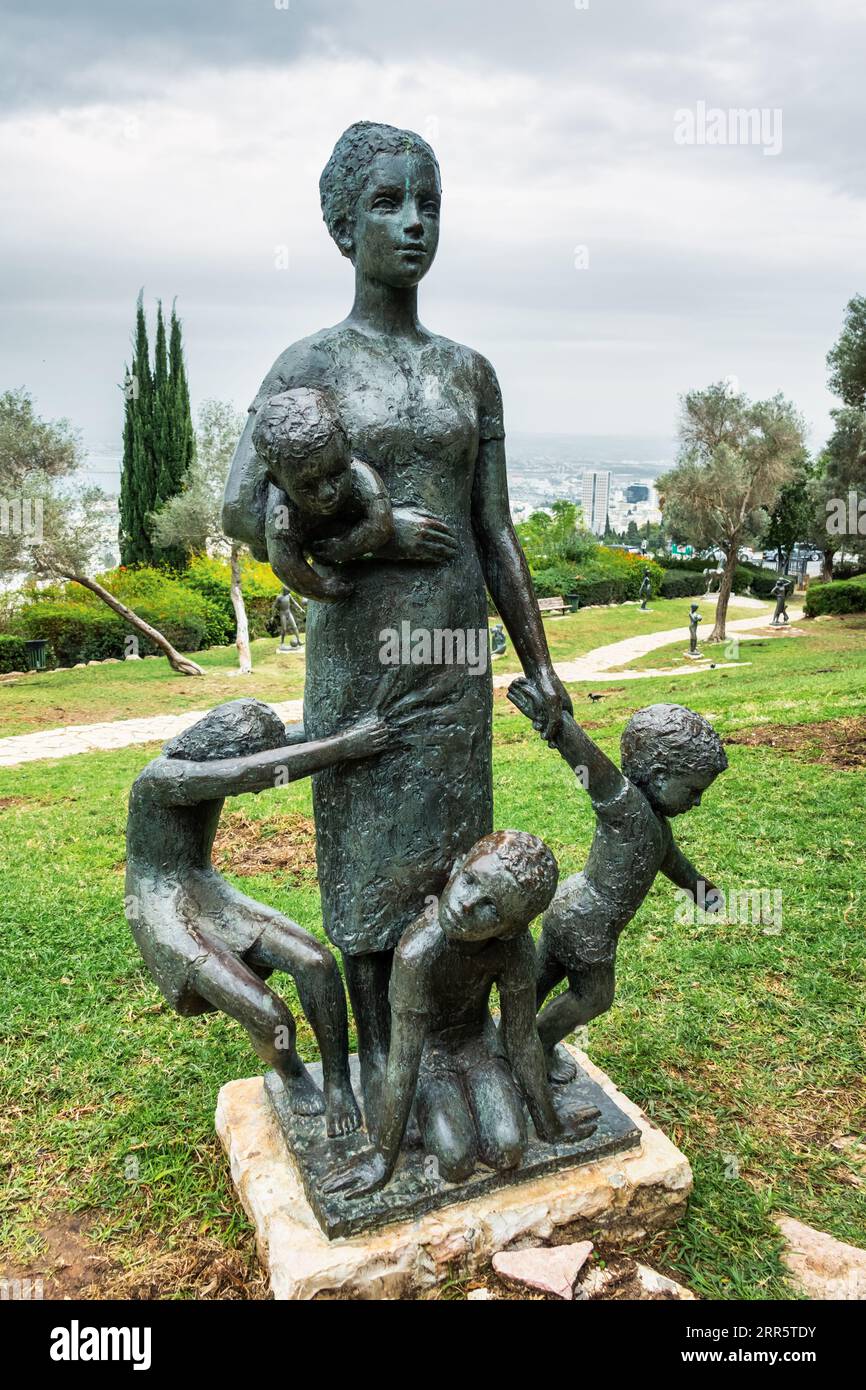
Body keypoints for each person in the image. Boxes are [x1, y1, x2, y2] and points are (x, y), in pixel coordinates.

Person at [223, 121, 570, 1127]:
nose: (413, 221)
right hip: (361, 655)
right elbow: (244, 509)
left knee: (453, 846)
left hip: (455, 653)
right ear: (341, 225)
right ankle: (389, 1063)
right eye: (387, 203)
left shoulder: (469, 370)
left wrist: (538, 663)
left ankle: (457, 1038)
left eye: (427, 202)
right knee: (369, 856)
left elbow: (494, 529)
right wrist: (367, 538)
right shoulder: (309, 362)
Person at [125, 698, 387, 1137]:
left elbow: (282, 747)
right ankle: (293, 1074)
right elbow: (246, 773)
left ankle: (340, 1082)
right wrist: (346, 745)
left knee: (316, 963)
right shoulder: (164, 777)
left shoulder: (212, 754)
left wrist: (353, 725)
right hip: (163, 908)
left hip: (206, 890)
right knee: (270, 1017)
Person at [320, 831, 599, 1198]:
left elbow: (521, 1038)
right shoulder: (417, 953)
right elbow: (403, 1060)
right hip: (427, 1060)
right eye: (469, 881)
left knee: (508, 1148)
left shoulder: (514, 949)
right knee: (454, 1161)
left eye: (491, 908)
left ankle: (493, 1110)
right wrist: (381, 1160)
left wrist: (551, 1125)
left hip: (478, 1048)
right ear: (457, 867)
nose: (466, 904)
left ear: (511, 928)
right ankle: (437, 1119)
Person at [508, 679, 727, 1083]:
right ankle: (535, 1045)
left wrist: (702, 890)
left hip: (570, 904)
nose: (696, 802)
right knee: (594, 996)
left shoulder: (657, 828)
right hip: (590, 923)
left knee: (538, 979)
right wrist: (559, 726)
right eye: (693, 791)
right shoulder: (625, 807)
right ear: (659, 773)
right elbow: (593, 768)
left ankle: (508, 1037)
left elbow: (674, 864)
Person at [252, 386, 394, 602]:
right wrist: (325, 589)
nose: (327, 493)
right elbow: (283, 561)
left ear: (348, 448)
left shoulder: (360, 473)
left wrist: (343, 547)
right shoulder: (282, 508)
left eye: (336, 474)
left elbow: (380, 522)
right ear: (278, 482)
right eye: (307, 487)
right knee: (258, 549)